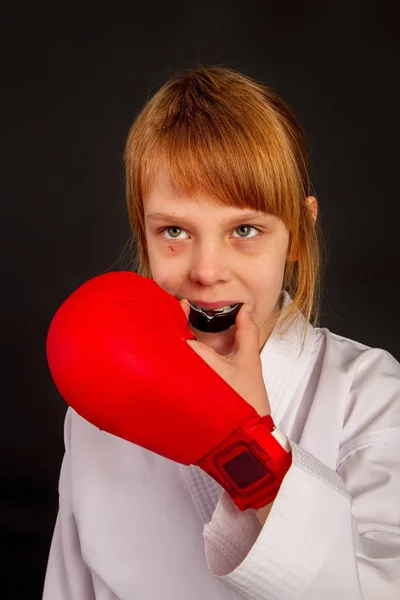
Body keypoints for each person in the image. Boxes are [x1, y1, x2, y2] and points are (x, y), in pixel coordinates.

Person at [42, 66, 400, 599]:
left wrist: (250, 445)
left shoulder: (368, 394)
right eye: (175, 231)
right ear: (143, 232)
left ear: (298, 234)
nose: (207, 270)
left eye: (245, 230)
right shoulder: (99, 406)